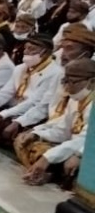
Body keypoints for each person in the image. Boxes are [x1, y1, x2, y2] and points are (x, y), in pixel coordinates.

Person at [16, 59, 95, 187]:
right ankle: (49, 173)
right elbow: (62, 131)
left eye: (72, 82)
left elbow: (85, 140)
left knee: (71, 164)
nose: (67, 87)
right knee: (25, 141)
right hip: (72, 146)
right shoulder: (75, 99)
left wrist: (49, 157)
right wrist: (37, 135)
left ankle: (53, 173)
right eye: (65, 81)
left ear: (92, 82)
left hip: (87, 150)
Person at [0, 34, 61, 136]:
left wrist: (3, 116)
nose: (26, 52)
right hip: (12, 109)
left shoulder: (54, 73)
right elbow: (4, 93)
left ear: (45, 52)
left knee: (0, 129)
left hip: (30, 114)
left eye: (31, 49)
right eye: (26, 48)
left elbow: (34, 103)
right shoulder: (20, 68)